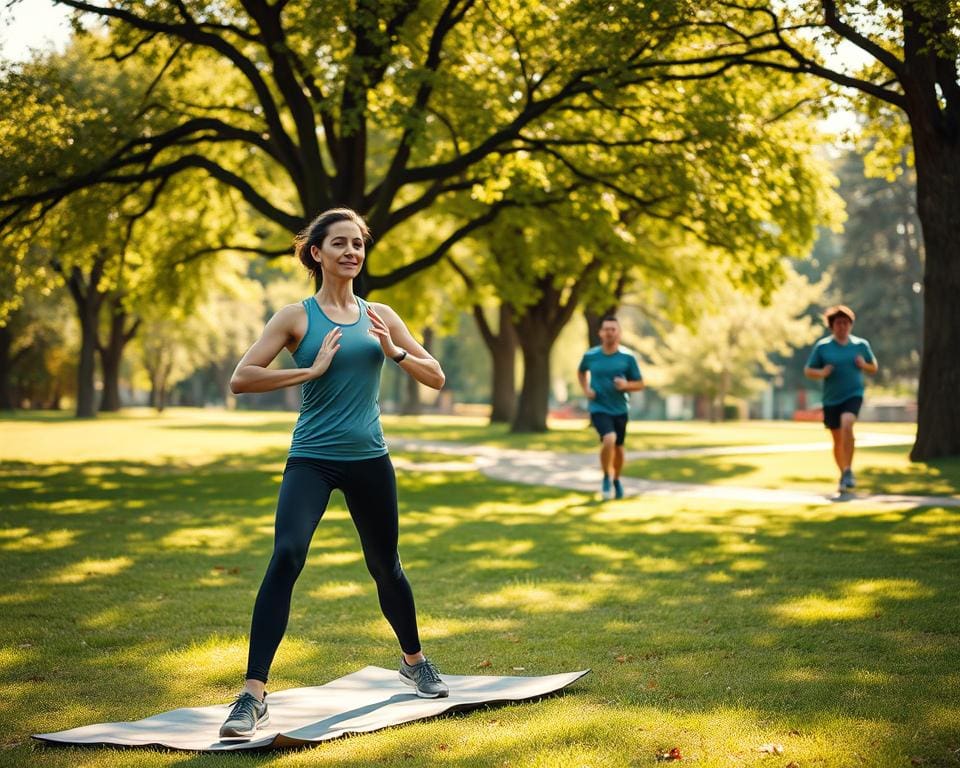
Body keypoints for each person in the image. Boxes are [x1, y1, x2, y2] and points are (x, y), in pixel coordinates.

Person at [219, 208, 448, 740]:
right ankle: (252, 695)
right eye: (339, 243)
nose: (351, 252)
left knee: (385, 564)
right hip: (313, 459)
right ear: (316, 253)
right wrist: (309, 370)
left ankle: (414, 662)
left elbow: (435, 376)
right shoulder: (294, 317)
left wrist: (394, 352)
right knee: (287, 554)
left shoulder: (381, 315)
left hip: (370, 458)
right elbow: (241, 379)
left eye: (358, 244)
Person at [803, 304, 878, 493]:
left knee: (847, 423)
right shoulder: (823, 347)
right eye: (838, 323)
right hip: (831, 399)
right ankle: (844, 473)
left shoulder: (860, 345)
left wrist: (863, 365)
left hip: (853, 394)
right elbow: (808, 370)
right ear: (832, 326)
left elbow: (873, 367)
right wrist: (822, 372)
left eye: (846, 323)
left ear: (851, 325)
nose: (842, 326)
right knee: (837, 440)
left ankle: (849, 469)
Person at [577, 316, 644, 500]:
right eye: (606, 329)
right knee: (609, 439)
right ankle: (606, 476)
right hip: (598, 406)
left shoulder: (627, 358)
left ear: (619, 333)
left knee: (619, 448)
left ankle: (616, 479)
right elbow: (581, 371)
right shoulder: (590, 356)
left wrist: (625, 385)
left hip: (620, 408)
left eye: (613, 329)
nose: (609, 332)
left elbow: (640, 383)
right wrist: (586, 389)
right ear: (600, 333)